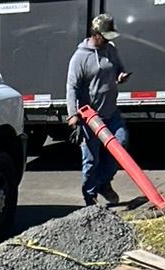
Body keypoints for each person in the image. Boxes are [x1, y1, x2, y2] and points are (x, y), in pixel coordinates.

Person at [66, 14, 130, 208]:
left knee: (121, 144)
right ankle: (90, 200)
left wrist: (120, 75)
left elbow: (118, 68)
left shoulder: (111, 49)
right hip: (90, 118)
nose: (108, 39)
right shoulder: (80, 57)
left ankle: (103, 182)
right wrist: (72, 115)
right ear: (96, 34)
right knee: (91, 160)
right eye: (105, 35)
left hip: (111, 113)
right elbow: (71, 87)